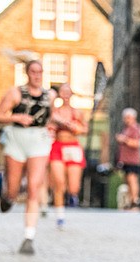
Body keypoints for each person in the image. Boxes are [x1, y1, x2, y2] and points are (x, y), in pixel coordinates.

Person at [0, 60, 55, 255]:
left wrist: (54, 125)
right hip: (16, 139)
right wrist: (17, 118)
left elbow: (49, 117)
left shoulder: (50, 95)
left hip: (38, 139)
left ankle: (29, 237)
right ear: (27, 73)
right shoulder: (15, 93)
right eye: (33, 72)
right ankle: (8, 198)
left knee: (33, 188)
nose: (37, 75)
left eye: (40, 72)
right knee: (13, 189)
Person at [48, 83, 87, 228]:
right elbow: (48, 125)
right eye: (62, 92)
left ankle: (72, 196)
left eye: (68, 92)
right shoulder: (55, 112)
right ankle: (60, 215)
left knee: (73, 187)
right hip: (58, 146)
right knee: (59, 183)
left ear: (71, 95)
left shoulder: (77, 113)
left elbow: (84, 128)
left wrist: (76, 128)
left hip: (73, 147)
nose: (65, 94)